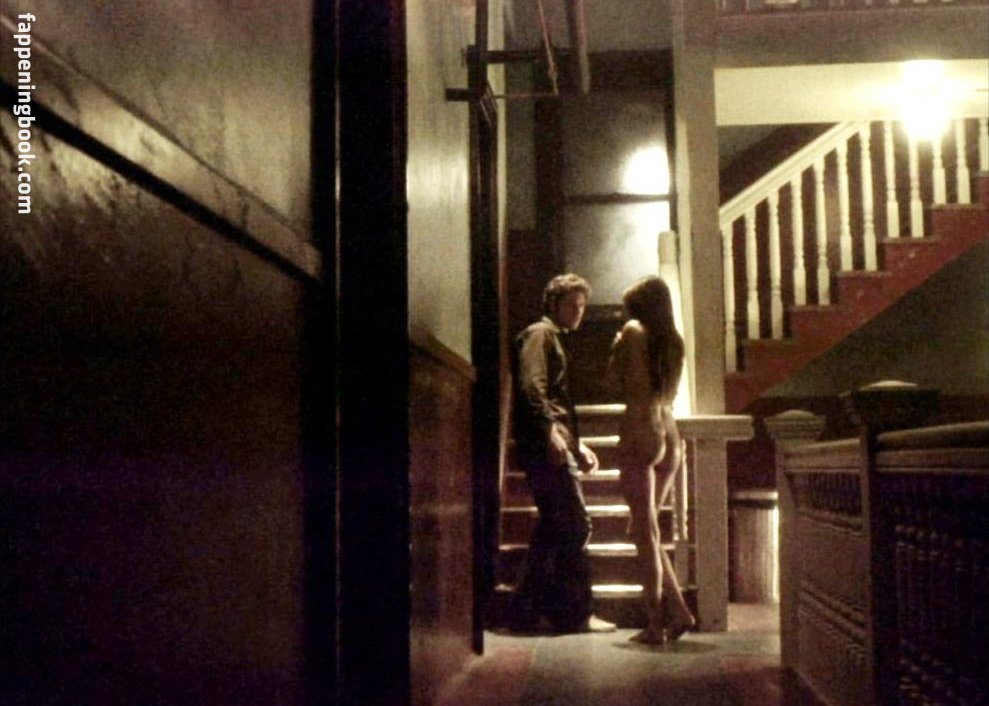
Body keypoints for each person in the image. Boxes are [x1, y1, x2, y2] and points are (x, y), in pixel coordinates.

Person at [510, 273, 616, 634]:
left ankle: (527, 610)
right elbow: (532, 388)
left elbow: (551, 400)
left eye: (582, 305)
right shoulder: (540, 334)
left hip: (550, 440)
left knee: (555, 526)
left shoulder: (551, 337)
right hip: (544, 445)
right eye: (571, 304)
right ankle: (573, 612)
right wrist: (550, 433)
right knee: (575, 523)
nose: (578, 311)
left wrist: (575, 443)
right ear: (553, 304)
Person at [607, 276, 695, 644]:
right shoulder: (674, 341)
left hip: (641, 430)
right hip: (669, 434)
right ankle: (681, 613)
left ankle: (655, 624)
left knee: (645, 534)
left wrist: (617, 351)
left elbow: (617, 383)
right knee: (646, 529)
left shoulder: (632, 332)